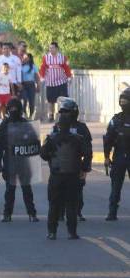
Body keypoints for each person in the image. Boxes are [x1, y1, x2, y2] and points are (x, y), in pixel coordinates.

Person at [41, 102, 91, 239]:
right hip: (72, 175)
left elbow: (43, 154)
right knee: (71, 205)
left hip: (56, 175)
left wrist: (52, 156)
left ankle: (52, 232)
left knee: (54, 205)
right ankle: (72, 232)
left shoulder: (51, 138)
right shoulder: (77, 139)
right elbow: (87, 153)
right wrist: (84, 169)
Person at [0, 98, 39, 222]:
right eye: (11, 109)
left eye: (16, 108)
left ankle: (32, 213)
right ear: (8, 110)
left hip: (23, 162)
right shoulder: (4, 125)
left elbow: (34, 141)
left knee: (27, 189)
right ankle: (7, 214)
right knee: (10, 190)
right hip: (10, 162)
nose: (13, 111)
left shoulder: (26, 124)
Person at [51, 99, 92, 222]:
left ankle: (77, 212)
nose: (64, 115)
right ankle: (60, 213)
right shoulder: (57, 127)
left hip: (76, 165)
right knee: (59, 191)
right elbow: (49, 149)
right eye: (62, 112)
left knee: (77, 190)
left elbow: (88, 150)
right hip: (59, 165)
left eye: (66, 112)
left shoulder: (81, 128)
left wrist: (85, 168)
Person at [104, 88, 130, 221]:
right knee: (115, 185)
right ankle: (112, 212)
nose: (123, 101)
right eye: (122, 99)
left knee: (116, 185)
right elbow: (108, 139)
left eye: (125, 99)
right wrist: (107, 157)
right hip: (119, 155)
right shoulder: (116, 119)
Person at [39, 42, 73, 122]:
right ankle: (51, 115)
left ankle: (63, 115)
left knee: (63, 99)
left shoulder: (62, 57)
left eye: (52, 48)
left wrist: (69, 76)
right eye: (50, 48)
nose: (51, 49)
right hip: (50, 82)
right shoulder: (46, 57)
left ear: (57, 48)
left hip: (61, 81)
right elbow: (43, 67)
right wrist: (42, 77)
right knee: (51, 100)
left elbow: (66, 67)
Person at [20, 53, 39, 119]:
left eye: (26, 58)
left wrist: (38, 85)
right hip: (24, 85)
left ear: (30, 59)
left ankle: (31, 115)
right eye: (24, 58)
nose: (25, 59)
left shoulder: (33, 66)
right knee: (24, 99)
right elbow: (20, 76)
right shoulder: (21, 66)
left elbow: (37, 77)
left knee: (31, 101)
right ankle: (24, 114)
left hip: (31, 85)